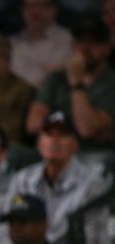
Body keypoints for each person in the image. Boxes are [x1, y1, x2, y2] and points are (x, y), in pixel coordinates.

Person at [5, 111, 111, 244]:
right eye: (48, 134)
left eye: (62, 135)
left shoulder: (92, 185)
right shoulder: (22, 178)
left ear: (75, 144)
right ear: (39, 142)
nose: (54, 141)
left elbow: (93, 240)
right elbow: (4, 228)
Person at [26, 15, 115, 147]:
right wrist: (74, 126)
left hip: (93, 156)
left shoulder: (111, 83)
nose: (84, 48)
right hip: (53, 152)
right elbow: (33, 124)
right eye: (80, 41)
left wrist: (76, 84)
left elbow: (86, 129)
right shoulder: (56, 77)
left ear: (107, 47)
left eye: (92, 42)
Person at [10, 0, 73, 88]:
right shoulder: (12, 42)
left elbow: (54, 77)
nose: (36, 11)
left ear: (55, 9)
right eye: (30, 6)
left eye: (42, 5)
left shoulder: (68, 39)